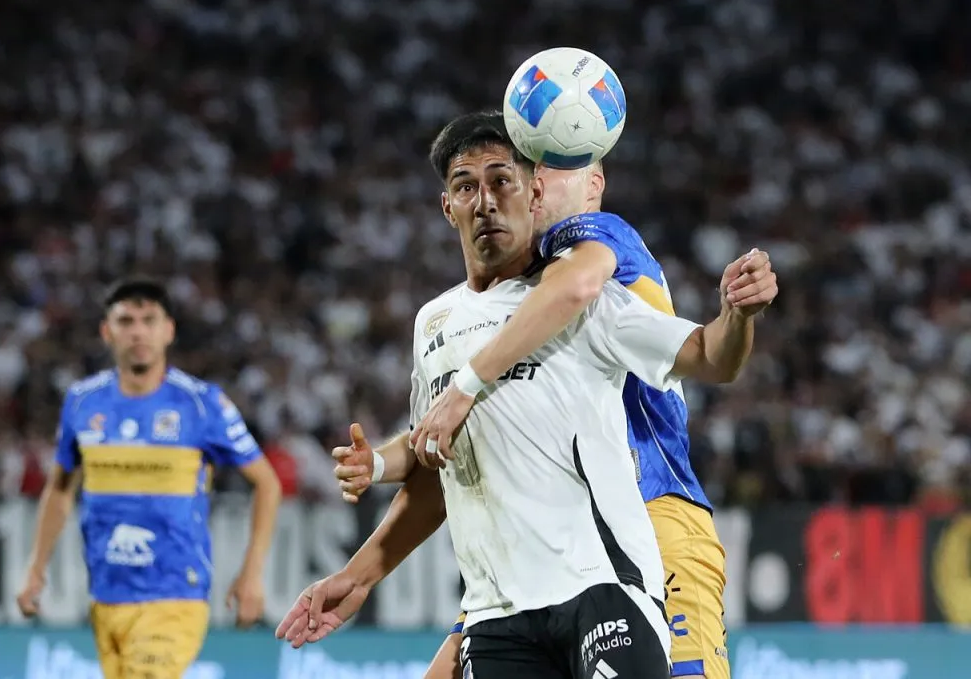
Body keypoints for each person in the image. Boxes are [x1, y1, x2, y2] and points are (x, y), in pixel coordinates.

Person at [276, 111, 778, 679]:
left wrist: (737, 316)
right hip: (500, 608)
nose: (485, 201)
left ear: (533, 193)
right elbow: (438, 467)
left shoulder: (575, 288)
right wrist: (364, 549)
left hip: (603, 582)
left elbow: (710, 356)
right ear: (448, 207)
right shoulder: (433, 323)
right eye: (467, 187)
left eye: (501, 181)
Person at [406, 159, 743, 679]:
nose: (538, 184)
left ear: (594, 185)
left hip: (652, 519)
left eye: (558, 168)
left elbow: (582, 288)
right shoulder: (496, 311)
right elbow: (440, 459)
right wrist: (359, 576)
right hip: (543, 549)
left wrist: (466, 385)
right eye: (531, 168)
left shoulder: (597, 243)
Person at [17, 277, 283, 679]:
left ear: (168, 330)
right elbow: (59, 488)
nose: (138, 331)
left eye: (148, 320)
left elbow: (267, 482)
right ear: (107, 332)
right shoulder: (82, 402)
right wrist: (36, 567)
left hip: (175, 594)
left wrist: (252, 573)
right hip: (106, 595)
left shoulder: (201, 403)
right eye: (126, 321)